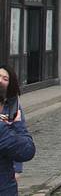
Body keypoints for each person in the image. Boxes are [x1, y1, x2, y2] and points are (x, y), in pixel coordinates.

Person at [0, 65, 35, 194]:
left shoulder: (13, 107)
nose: (0, 80)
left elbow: (17, 144)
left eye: (5, 78)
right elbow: (26, 149)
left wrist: (17, 169)